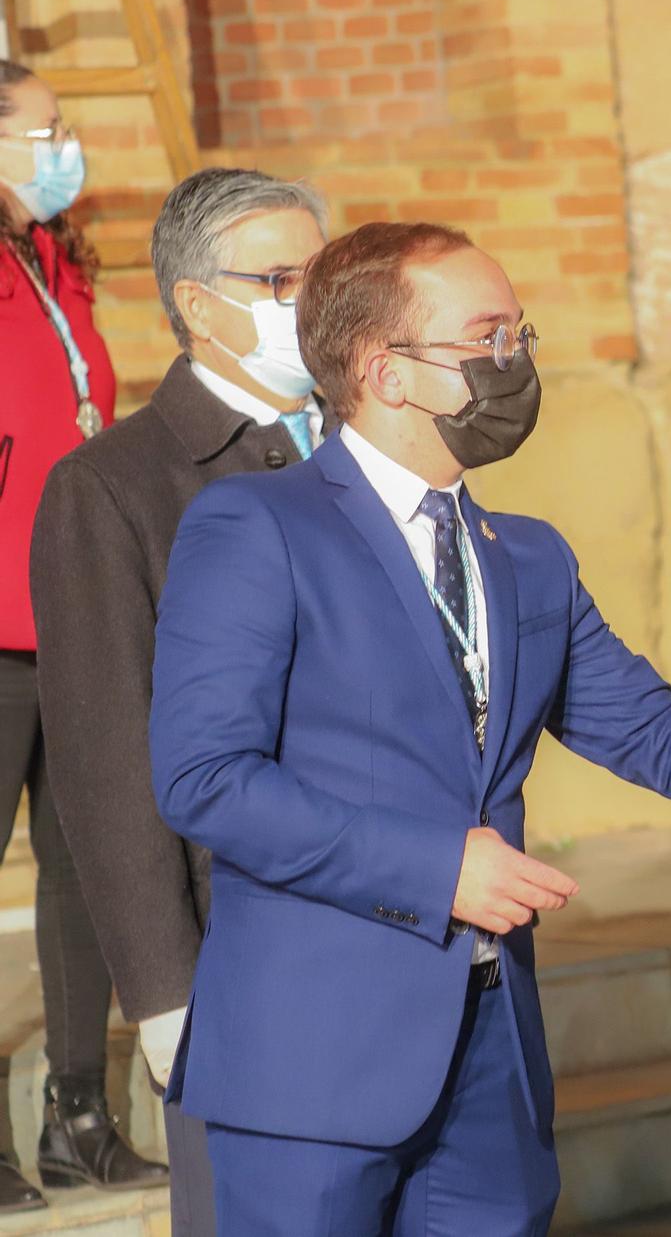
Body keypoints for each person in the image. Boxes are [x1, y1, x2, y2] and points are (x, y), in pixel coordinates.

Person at [146, 221, 671, 1235]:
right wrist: (435, 868)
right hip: (313, 1064)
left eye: (521, 332)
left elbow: (668, 742)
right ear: (389, 373)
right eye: (488, 339)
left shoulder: (528, 556)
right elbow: (206, 779)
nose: (516, 360)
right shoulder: (257, 526)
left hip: (491, 1059)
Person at [30, 166, 332, 1237]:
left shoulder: (376, 441)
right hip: (246, 962)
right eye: (281, 278)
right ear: (200, 306)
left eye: (325, 272)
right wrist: (167, 997)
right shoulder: (114, 485)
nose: (315, 300)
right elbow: (108, 761)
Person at [0, 58, 166, 1214]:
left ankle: (79, 1115)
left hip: (78, 615)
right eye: (44, 131)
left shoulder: (57, 261)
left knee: (86, 869)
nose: (67, 149)